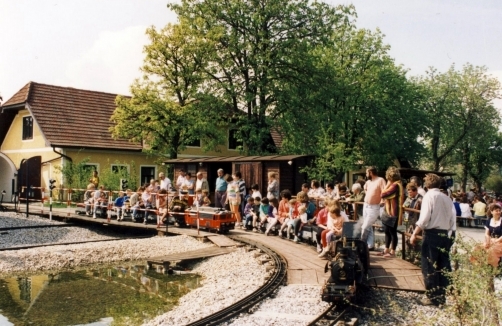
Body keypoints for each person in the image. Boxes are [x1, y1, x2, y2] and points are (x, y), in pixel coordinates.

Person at [410, 173, 455, 306]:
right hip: (445, 234)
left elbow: (424, 218)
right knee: (443, 265)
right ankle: (442, 295)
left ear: (427, 184)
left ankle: (431, 296)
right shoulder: (447, 198)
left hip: (432, 234)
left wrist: (414, 233)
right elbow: (452, 219)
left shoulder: (429, 196)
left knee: (429, 265)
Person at [377, 167, 404, 258]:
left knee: (392, 232)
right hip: (389, 211)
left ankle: (392, 252)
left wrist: (388, 184)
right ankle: (386, 249)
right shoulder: (396, 184)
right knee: (387, 231)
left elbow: (383, 194)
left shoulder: (395, 185)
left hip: (393, 212)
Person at [361, 166, 386, 250]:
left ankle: (361, 244)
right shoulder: (368, 182)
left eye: (366, 172)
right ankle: (370, 245)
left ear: (370, 173)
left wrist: (382, 200)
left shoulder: (380, 180)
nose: (366, 174)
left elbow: (384, 191)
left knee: (365, 226)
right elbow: (365, 189)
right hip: (366, 205)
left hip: (374, 207)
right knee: (369, 226)